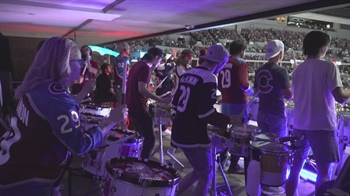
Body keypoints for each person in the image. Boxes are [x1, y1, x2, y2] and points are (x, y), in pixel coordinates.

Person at [0, 37, 127, 196]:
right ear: (65, 63)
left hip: (12, 166)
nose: (82, 67)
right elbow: (79, 145)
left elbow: (47, 124)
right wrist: (110, 121)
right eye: (80, 62)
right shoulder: (58, 99)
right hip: (26, 178)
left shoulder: (36, 87)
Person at [171, 44, 243, 196]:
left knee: (199, 171)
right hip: (193, 135)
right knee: (206, 174)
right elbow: (205, 113)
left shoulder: (187, 73)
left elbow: (175, 103)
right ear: (220, 63)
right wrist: (229, 119)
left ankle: (172, 193)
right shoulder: (209, 77)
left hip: (179, 130)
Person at [286, 31, 350, 196]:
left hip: (299, 125)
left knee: (295, 168)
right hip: (322, 127)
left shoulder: (298, 70)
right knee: (323, 173)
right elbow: (341, 98)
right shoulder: (328, 67)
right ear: (322, 47)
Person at [254, 40, 293, 195]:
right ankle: (272, 183)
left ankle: (262, 179)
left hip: (262, 111)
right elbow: (288, 96)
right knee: (276, 150)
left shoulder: (259, 69)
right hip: (276, 113)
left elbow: (257, 90)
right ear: (280, 53)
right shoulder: (281, 71)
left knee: (263, 147)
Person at [126, 47, 172, 159]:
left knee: (140, 136)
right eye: (160, 60)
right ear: (156, 57)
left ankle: (136, 159)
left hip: (130, 104)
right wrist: (160, 99)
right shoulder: (146, 68)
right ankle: (142, 163)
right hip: (138, 106)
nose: (159, 63)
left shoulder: (137, 65)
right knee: (150, 139)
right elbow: (142, 89)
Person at [218, 40, 249, 174]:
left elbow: (220, 85)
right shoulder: (241, 63)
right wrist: (251, 90)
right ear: (242, 50)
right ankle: (234, 164)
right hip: (238, 102)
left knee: (225, 131)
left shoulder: (223, 63)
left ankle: (222, 159)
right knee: (239, 133)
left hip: (225, 101)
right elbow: (243, 83)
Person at [154, 57, 175, 136]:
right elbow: (173, 64)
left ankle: (161, 128)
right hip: (166, 92)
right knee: (166, 111)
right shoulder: (164, 66)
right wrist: (174, 56)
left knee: (160, 110)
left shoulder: (157, 68)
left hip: (159, 92)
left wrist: (169, 58)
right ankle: (164, 128)